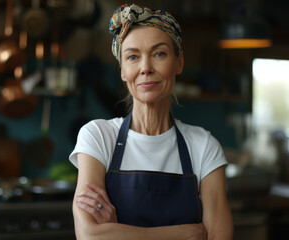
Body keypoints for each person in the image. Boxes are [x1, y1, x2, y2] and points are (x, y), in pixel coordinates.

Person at [69, 3, 233, 240]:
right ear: (123, 70)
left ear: (179, 62)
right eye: (133, 57)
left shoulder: (203, 146)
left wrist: (117, 232)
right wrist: (186, 233)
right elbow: (90, 235)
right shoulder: (98, 136)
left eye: (159, 54)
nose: (145, 68)